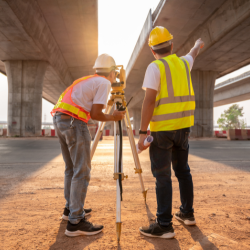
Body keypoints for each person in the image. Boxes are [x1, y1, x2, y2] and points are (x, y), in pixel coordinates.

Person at [138, 26, 204, 238]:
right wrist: (196, 44)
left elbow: (149, 101)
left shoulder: (155, 67)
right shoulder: (184, 63)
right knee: (183, 171)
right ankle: (187, 213)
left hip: (162, 132)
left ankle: (164, 224)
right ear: (172, 45)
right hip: (183, 129)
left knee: (162, 175)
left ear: (152, 50)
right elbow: (193, 53)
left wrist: (141, 133)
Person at [51, 54, 125, 237]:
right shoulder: (104, 83)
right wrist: (114, 116)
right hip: (74, 123)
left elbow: (94, 105)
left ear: (96, 69)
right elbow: (96, 114)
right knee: (81, 171)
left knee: (71, 169)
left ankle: (71, 210)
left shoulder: (88, 80)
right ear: (112, 72)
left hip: (60, 120)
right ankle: (76, 222)